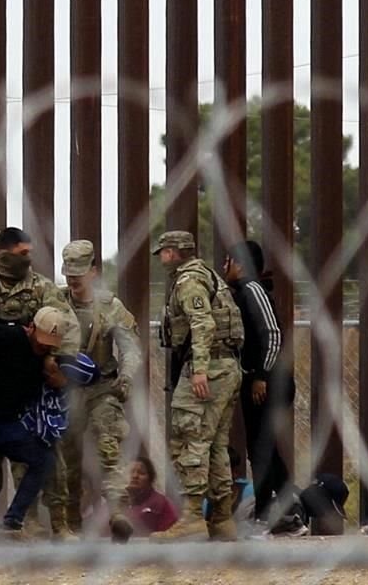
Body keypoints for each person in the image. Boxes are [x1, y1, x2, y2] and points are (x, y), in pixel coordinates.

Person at [0, 227, 80, 537]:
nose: (28, 260)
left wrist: (56, 361)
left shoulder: (41, 287)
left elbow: (66, 324)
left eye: (29, 254)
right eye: (22, 254)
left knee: (47, 457)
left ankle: (55, 524)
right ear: (3, 254)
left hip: (30, 385)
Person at [150, 230, 244, 541]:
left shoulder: (189, 280)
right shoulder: (207, 274)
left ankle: (191, 517)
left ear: (175, 252)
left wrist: (200, 369)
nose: (161, 257)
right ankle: (221, 519)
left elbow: (202, 323)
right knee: (215, 444)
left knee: (189, 438)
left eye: (163, 251)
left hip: (209, 368)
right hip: (226, 367)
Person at [58, 239, 142, 542]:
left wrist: (127, 377)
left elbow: (131, 348)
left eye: (79, 273)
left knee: (109, 445)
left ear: (94, 271)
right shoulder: (56, 303)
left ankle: (118, 511)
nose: (73, 279)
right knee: (66, 460)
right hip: (64, 393)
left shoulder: (110, 306)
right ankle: (68, 521)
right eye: (69, 273)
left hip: (101, 388)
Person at [223, 240, 290, 521]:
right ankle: (287, 505)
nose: (225, 267)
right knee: (264, 448)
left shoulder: (252, 289)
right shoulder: (240, 292)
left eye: (229, 261)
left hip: (268, 383)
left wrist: (262, 375)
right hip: (254, 382)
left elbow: (273, 335)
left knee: (262, 447)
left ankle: (265, 511)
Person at [125, 456, 178, 537]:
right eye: (131, 472)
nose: (135, 476)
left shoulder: (161, 503)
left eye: (141, 473)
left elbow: (169, 536)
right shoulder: (115, 504)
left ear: (150, 479)